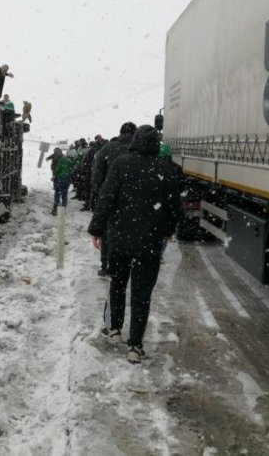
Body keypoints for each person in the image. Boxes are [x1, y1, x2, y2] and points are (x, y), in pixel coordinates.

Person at [88, 125, 181, 364]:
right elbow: (173, 206)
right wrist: (168, 230)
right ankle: (136, 345)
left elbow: (107, 197)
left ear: (135, 141)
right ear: (156, 144)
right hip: (150, 242)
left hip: (120, 239)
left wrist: (97, 229)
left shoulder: (121, 164)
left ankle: (115, 329)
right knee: (142, 293)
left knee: (117, 284)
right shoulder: (166, 169)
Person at [91, 122, 137, 276]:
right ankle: (127, 265)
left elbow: (97, 174)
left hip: (110, 198)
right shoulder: (138, 150)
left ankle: (106, 265)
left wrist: (101, 193)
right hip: (133, 201)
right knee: (131, 233)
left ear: (120, 132)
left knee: (107, 233)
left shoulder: (108, 148)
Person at [51, 151, 74, 216]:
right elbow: (72, 170)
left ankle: (55, 209)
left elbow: (57, 169)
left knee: (57, 194)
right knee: (64, 194)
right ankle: (63, 209)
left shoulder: (62, 160)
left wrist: (54, 175)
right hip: (67, 180)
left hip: (60, 179)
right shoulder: (71, 162)